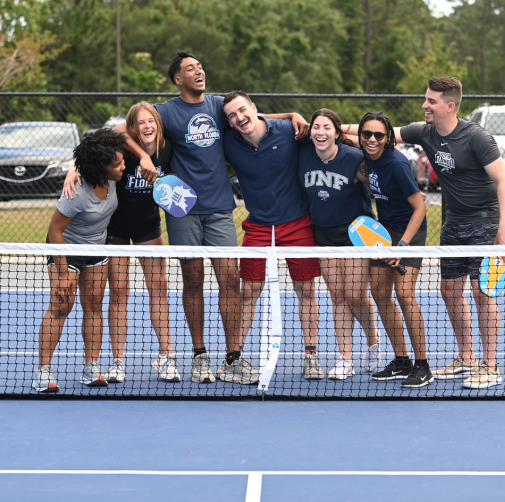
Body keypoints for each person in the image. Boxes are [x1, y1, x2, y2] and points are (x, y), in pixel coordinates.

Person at [114, 52, 309, 384]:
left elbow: (251, 115)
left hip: (220, 209)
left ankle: (233, 358)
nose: (198, 71)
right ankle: (200, 355)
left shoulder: (219, 106)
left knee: (230, 282)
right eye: (190, 69)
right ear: (178, 79)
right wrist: (144, 156)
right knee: (192, 282)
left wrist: (291, 113)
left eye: (200, 66)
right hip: (182, 211)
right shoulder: (166, 111)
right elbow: (122, 128)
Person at [352, 77, 505, 389]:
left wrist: (504, 226)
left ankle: (490, 366)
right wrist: (324, 129)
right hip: (452, 223)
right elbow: (379, 134)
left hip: (485, 222)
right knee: (449, 292)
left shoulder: (477, 137)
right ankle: (466, 357)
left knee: (482, 294)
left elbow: (503, 181)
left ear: (450, 106)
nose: (425, 105)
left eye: (431, 101)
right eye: (426, 100)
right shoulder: (424, 132)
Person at [63, 102, 179, 384]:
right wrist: (72, 169)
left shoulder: (169, 146)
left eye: (151, 120)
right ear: (132, 127)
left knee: (159, 287)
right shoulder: (122, 145)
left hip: (148, 227)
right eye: (140, 123)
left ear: (159, 124)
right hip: (115, 229)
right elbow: (102, 140)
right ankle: (117, 362)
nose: (147, 126)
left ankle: (167, 356)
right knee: (119, 291)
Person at [222, 91, 325, 381]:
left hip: (298, 223)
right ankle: (234, 358)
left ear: (254, 108)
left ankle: (311, 355)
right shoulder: (228, 142)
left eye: (243, 110)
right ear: (228, 122)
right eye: (232, 115)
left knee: (305, 290)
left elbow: (327, 137)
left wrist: (294, 115)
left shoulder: (288, 132)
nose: (239, 117)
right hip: (258, 226)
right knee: (249, 292)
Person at [32, 129, 127, 393]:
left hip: (97, 247)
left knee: (94, 304)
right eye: (117, 164)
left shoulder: (113, 177)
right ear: (99, 167)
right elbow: (55, 231)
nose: (122, 166)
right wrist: (63, 273)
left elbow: (122, 129)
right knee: (61, 305)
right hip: (67, 247)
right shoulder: (76, 192)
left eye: (121, 161)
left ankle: (91, 367)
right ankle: (43, 371)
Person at [297, 109, 381, 380]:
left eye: (327, 127)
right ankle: (345, 358)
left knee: (355, 295)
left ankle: (373, 342)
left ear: (337, 132)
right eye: (316, 127)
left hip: (355, 233)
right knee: (338, 297)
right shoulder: (303, 155)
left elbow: (381, 184)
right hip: (323, 233)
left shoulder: (355, 159)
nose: (320, 132)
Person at [355, 111, 432, 388]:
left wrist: (402, 246)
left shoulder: (397, 163)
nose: (372, 139)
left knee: (404, 293)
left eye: (378, 135)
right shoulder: (366, 157)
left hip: (409, 232)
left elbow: (420, 207)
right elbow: (339, 135)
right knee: (378, 292)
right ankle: (402, 360)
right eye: (367, 134)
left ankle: (423, 366)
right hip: (384, 232)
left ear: (388, 137)